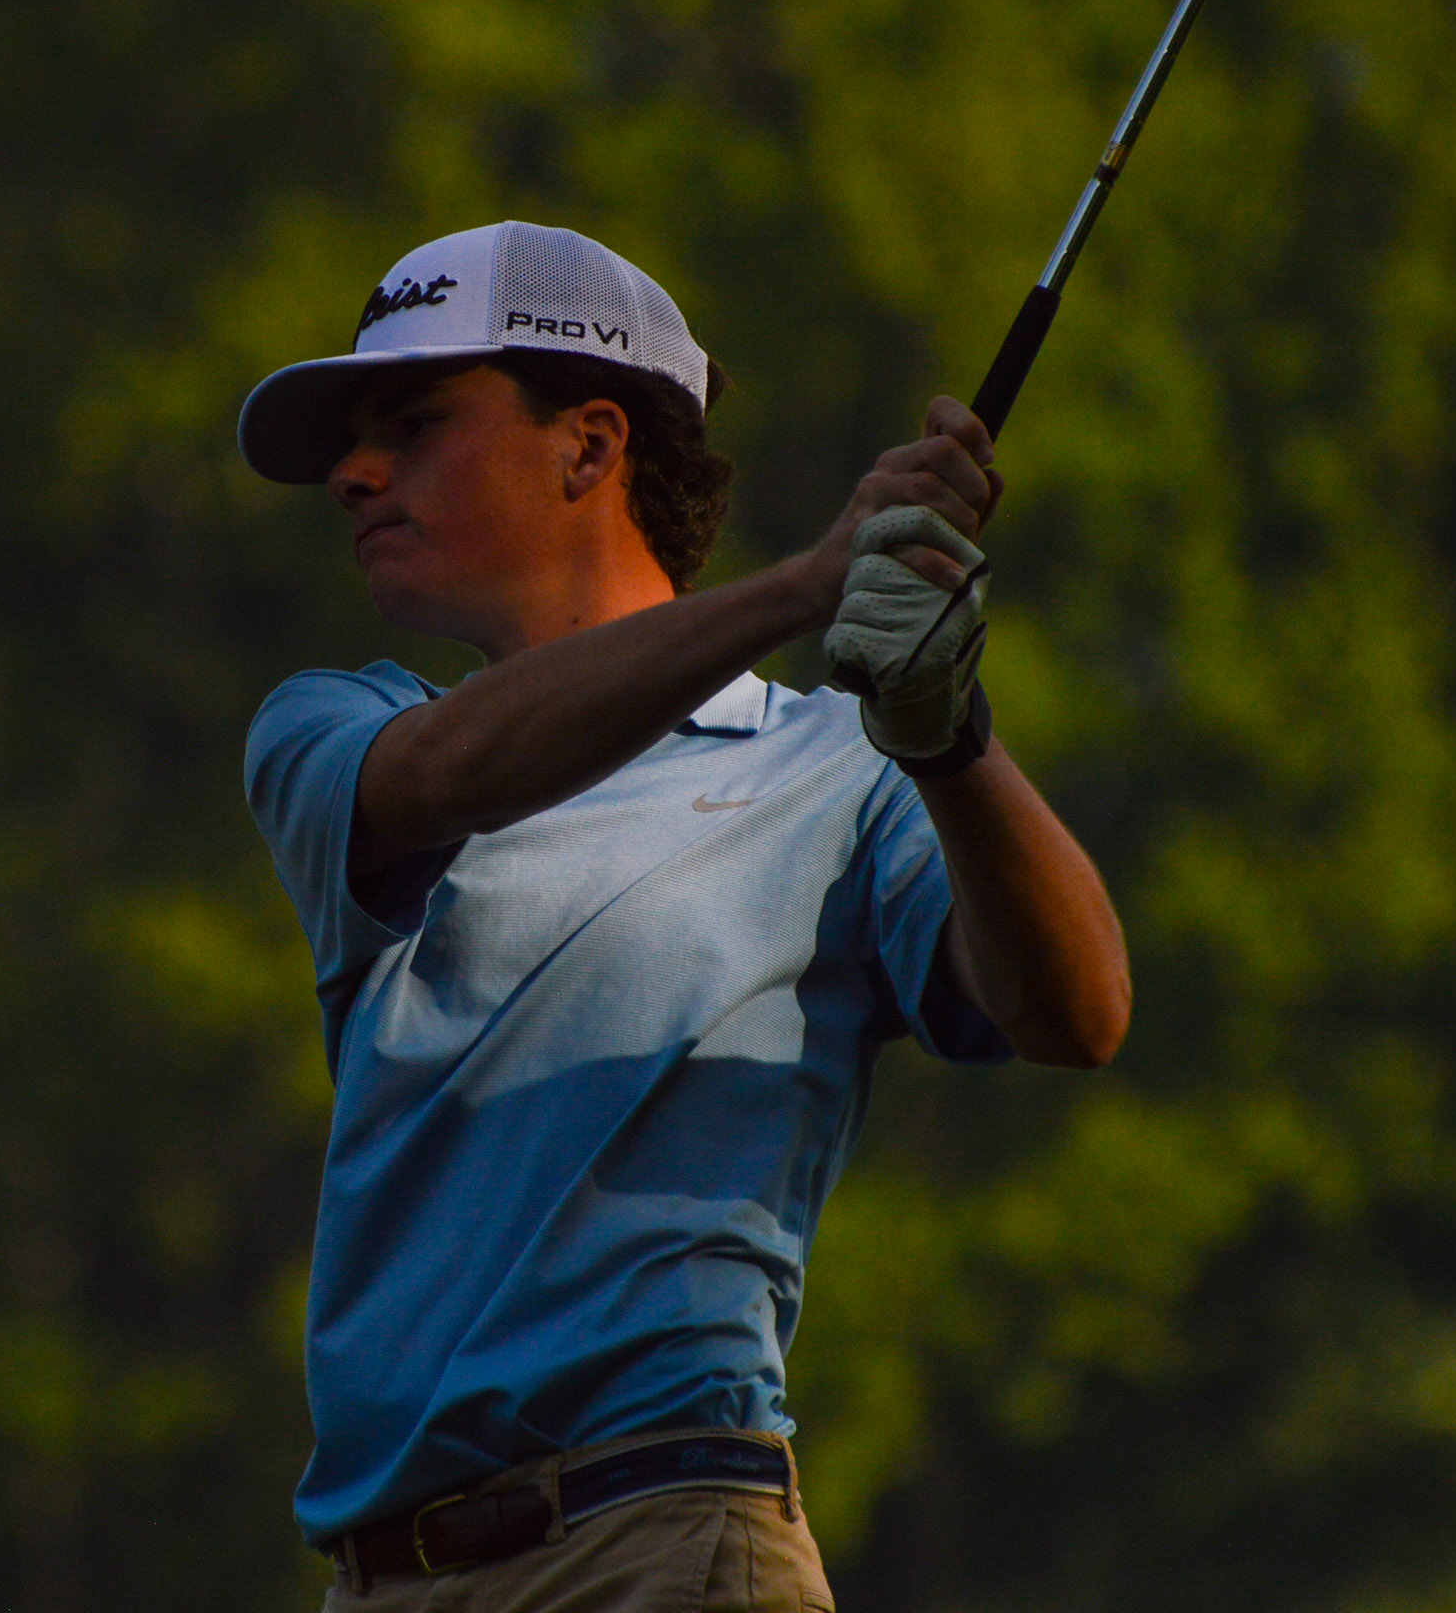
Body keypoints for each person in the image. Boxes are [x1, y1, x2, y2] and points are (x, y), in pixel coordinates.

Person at [238, 220, 1129, 1610]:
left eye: (411, 426)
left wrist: (947, 738)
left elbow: (1076, 1011)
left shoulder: (838, 770)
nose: (354, 474)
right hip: (382, 1579)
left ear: (589, 447)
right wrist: (806, 586)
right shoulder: (335, 729)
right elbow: (463, 768)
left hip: (664, 1541)